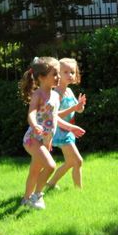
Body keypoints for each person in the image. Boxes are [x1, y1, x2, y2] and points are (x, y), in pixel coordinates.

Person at [19, 57, 85, 209]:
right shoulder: (38, 95)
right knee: (50, 165)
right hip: (33, 139)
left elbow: (54, 117)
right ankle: (37, 196)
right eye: (55, 74)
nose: (58, 77)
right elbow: (31, 114)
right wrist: (35, 124)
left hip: (44, 140)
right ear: (42, 78)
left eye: (58, 74)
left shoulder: (55, 95)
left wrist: (70, 128)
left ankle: (25, 199)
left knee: (35, 171)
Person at [46, 58, 86, 189]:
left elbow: (78, 110)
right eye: (66, 72)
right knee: (78, 161)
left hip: (69, 130)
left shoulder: (69, 91)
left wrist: (80, 106)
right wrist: (73, 108)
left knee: (70, 162)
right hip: (60, 131)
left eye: (72, 72)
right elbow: (54, 115)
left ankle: (51, 183)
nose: (70, 75)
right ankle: (79, 191)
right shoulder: (55, 93)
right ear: (58, 73)